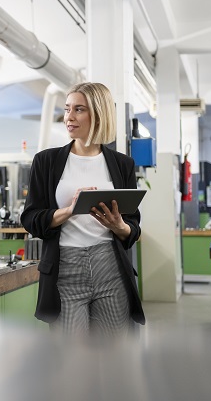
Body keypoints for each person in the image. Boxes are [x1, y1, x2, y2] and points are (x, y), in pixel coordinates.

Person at [20, 82, 145, 337]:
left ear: (98, 114)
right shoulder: (46, 161)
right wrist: (68, 211)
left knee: (113, 357)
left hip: (110, 268)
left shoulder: (123, 164)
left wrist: (118, 226)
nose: (69, 117)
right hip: (65, 270)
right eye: (67, 109)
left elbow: (133, 228)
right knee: (71, 361)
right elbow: (31, 218)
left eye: (79, 110)